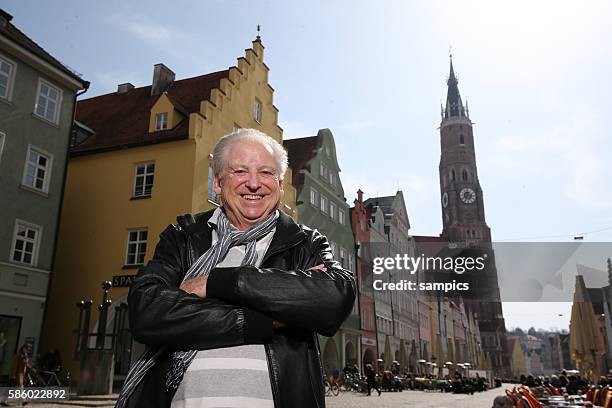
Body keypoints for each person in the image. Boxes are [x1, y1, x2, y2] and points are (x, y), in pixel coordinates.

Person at [115, 129, 356, 408]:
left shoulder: (304, 243)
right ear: (218, 182)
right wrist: (266, 320)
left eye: (266, 173)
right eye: (240, 171)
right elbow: (147, 310)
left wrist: (219, 283)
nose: (253, 184)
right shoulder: (184, 237)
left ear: (280, 184)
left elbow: (335, 297)